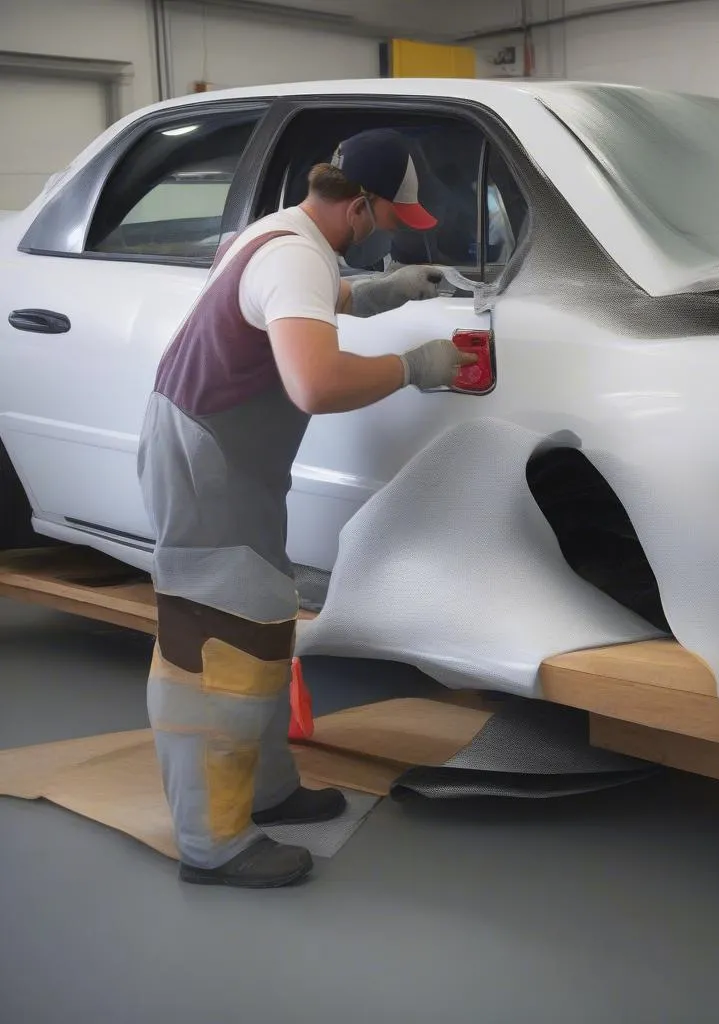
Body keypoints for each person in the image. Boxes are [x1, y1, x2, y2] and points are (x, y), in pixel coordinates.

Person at [136, 127, 477, 889]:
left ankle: (267, 791)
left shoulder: (285, 233)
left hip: (219, 451)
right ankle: (212, 844)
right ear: (358, 205)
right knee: (218, 639)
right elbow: (314, 384)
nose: (385, 232)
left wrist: (387, 291)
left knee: (258, 623)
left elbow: (316, 300)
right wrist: (412, 365)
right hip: (209, 458)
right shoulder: (293, 260)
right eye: (387, 221)